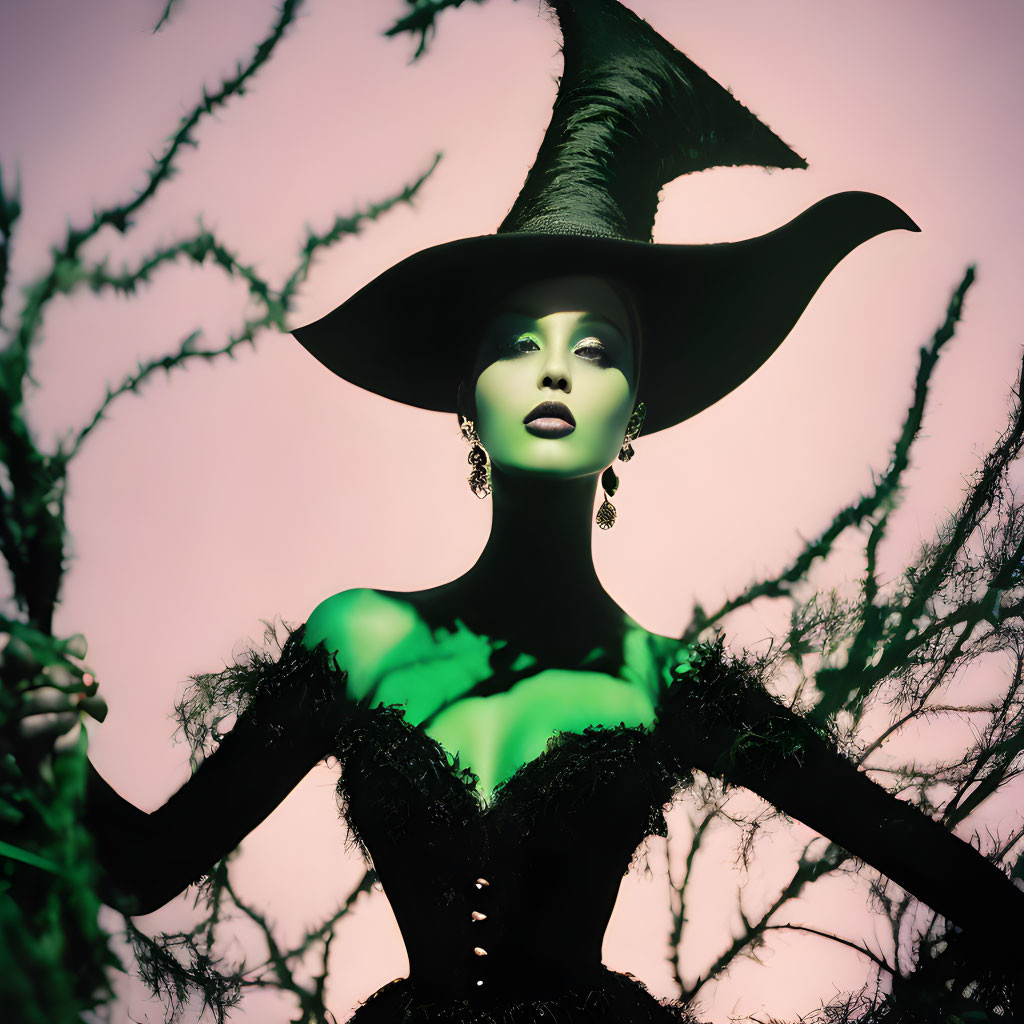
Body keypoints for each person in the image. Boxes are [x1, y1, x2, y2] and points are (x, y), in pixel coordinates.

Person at [56, 0, 1024, 1019]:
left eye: (596, 349)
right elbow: (146, 866)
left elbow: (953, 882)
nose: (555, 371)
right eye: (519, 342)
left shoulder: (670, 683)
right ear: (466, 393)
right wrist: (43, 738)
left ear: (635, 411)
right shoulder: (357, 638)